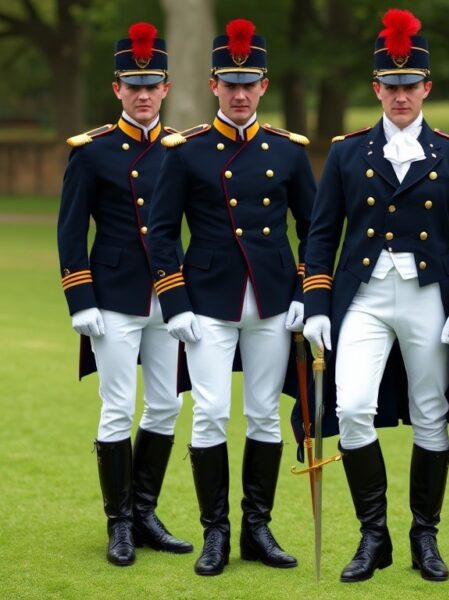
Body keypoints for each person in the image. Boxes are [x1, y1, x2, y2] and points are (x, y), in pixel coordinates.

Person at [301, 8, 449, 584]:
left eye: (411, 86)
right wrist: (315, 305)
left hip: (428, 297)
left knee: (433, 413)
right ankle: (372, 535)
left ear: (426, 87)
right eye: (391, 86)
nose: (401, 96)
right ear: (376, 88)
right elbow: (321, 233)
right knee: (352, 406)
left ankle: (424, 537)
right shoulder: (346, 152)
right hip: (363, 297)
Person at [145, 18, 315, 576]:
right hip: (207, 302)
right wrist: (174, 303)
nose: (240, 93)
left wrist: (303, 292)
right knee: (212, 413)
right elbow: (163, 232)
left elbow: (314, 228)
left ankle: (256, 529)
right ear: (214, 84)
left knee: (265, 415)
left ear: (264, 85)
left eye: (251, 83)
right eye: (229, 83)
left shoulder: (287, 152)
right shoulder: (185, 150)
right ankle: (215, 532)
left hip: (270, 301)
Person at [57, 23, 192, 567]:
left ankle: (145, 512)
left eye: (151, 84)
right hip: (112, 296)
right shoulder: (91, 152)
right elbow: (70, 231)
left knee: (166, 403)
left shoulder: (183, 150)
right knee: (117, 407)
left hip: (170, 297)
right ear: (117, 89)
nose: (142, 94)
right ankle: (118, 523)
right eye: (132, 85)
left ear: (165, 87)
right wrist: (79, 297)